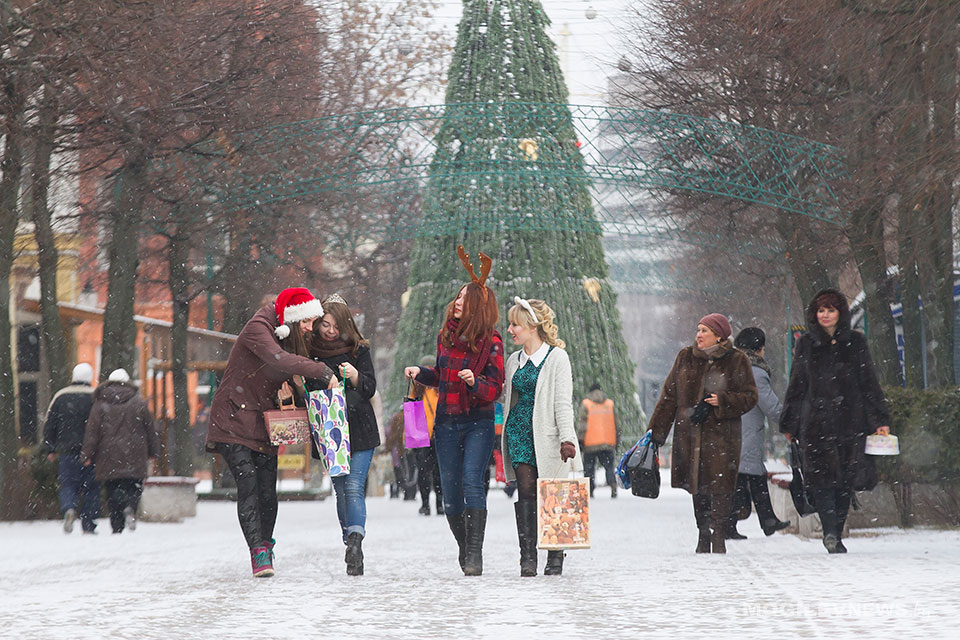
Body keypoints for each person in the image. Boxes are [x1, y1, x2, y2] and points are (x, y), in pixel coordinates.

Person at [206, 287, 335, 577]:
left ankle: (266, 543)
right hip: (233, 420)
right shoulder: (258, 328)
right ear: (291, 316)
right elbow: (278, 360)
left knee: (267, 490)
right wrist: (322, 371)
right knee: (249, 483)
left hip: (264, 425)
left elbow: (286, 369)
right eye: (306, 322)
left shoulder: (289, 333)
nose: (309, 328)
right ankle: (258, 552)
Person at [404, 247, 504, 576]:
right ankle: (465, 546)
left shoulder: (492, 342)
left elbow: (495, 387)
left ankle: (474, 554)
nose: (458, 301)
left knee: (472, 481)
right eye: (458, 295)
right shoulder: (445, 336)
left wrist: (475, 382)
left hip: (478, 421)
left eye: (465, 298)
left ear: (477, 305)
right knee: (449, 491)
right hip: (446, 422)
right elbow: (442, 378)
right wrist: (422, 372)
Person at [780, 289, 891, 554]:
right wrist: (790, 423)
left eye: (830, 310)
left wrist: (879, 419)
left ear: (840, 313)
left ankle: (835, 533)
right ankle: (829, 531)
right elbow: (797, 384)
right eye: (821, 310)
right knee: (820, 481)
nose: (825, 315)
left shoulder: (855, 342)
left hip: (849, 423)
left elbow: (869, 383)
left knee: (843, 482)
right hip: (815, 424)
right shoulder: (806, 344)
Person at [648, 313, 758, 554]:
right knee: (696, 486)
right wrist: (655, 434)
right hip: (690, 434)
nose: (698, 334)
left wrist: (723, 401)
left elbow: (750, 397)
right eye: (698, 329)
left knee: (720, 485)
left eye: (704, 330)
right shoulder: (685, 357)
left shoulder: (737, 360)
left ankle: (718, 533)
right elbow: (669, 397)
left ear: (719, 336)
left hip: (723, 437)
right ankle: (702, 532)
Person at [501, 297, 581, 577]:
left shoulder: (557, 357)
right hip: (519, 433)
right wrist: (478, 385)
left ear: (532, 326)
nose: (510, 329)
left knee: (553, 494)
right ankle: (528, 557)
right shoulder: (513, 360)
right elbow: (507, 396)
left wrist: (567, 439)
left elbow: (563, 402)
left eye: (515, 325)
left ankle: (556, 555)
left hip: (548, 435)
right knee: (526, 492)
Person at [305, 293, 381, 576]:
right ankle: (350, 542)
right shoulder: (309, 352)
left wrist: (355, 376)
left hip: (359, 426)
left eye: (336, 325)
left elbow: (370, 387)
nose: (331, 331)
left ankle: (355, 541)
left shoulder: (358, 349)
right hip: (329, 429)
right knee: (340, 490)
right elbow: (307, 390)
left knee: (353, 487)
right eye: (325, 324)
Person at [726, 327, 791, 539]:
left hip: (731, 431)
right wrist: (789, 423)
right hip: (746, 432)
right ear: (760, 349)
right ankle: (762, 521)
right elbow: (770, 406)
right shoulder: (755, 371)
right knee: (752, 475)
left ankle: (748, 523)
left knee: (747, 476)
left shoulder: (730, 366)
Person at [81, 369, 159, 535]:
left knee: (112, 490)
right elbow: (150, 430)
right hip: (135, 454)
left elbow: (92, 432)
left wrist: (87, 454)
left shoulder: (100, 404)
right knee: (134, 486)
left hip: (108, 455)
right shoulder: (139, 402)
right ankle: (131, 507)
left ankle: (117, 525)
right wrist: (153, 451)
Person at [41, 363, 99, 534]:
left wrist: (50, 448)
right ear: (89, 377)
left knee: (68, 485)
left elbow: (49, 424)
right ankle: (88, 523)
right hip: (91, 453)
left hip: (66, 451)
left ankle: (68, 508)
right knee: (91, 488)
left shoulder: (60, 396)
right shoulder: (95, 397)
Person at [577, 382, 619, 499]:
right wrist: (617, 440)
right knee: (609, 467)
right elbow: (616, 424)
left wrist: (580, 440)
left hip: (590, 443)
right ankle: (612, 484)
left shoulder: (586, 403)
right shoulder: (610, 404)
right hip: (607, 442)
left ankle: (590, 491)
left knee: (589, 469)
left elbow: (582, 424)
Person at [414, 355, 443, 516]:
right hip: (421, 436)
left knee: (439, 473)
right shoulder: (417, 389)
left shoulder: (439, 390)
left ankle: (439, 503)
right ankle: (426, 504)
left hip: (437, 434)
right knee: (424, 472)